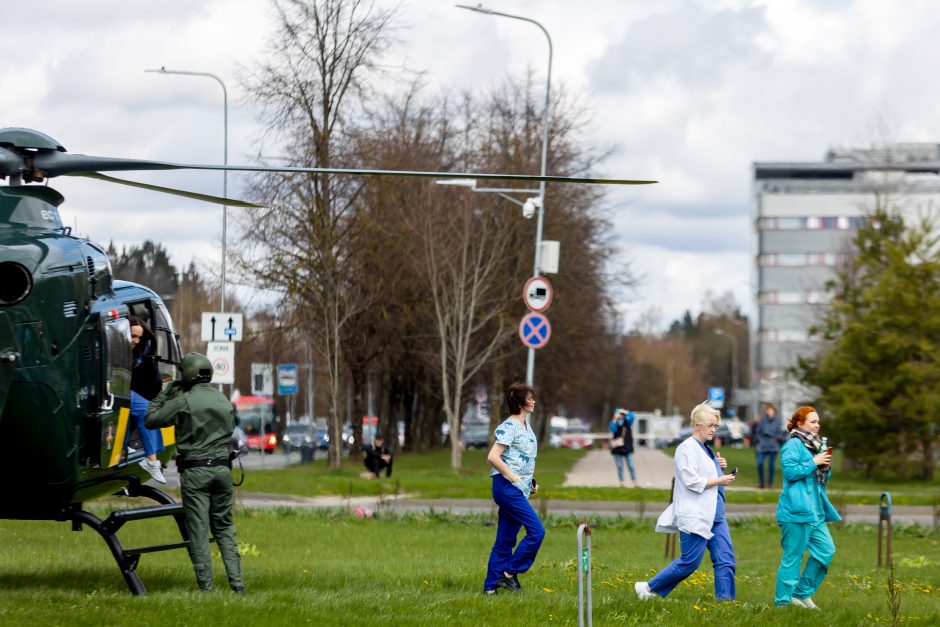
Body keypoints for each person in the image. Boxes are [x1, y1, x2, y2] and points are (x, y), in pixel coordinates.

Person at [145, 352, 245, 594]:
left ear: (187, 374)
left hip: (195, 472)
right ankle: (238, 585)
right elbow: (232, 427)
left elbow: (151, 419)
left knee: (198, 530)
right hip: (223, 470)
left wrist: (167, 391)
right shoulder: (223, 400)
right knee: (224, 527)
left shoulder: (184, 401)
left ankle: (206, 589)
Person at [635, 401, 737, 603]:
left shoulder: (705, 448)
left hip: (716, 514)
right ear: (697, 425)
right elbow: (691, 481)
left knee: (725, 559)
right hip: (695, 515)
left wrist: (717, 465)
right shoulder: (685, 448)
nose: (714, 430)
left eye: (716, 426)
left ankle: (726, 602)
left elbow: (704, 470)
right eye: (711, 425)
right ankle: (647, 587)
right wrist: (720, 479)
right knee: (690, 562)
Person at [774, 406, 839, 610]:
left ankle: (801, 593)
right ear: (799, 424)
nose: (817, 425)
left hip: (815, 512)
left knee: (826, 551)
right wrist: (814, 462)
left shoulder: (815, 446)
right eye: (813, 422)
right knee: (792, 559)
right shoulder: (793, 445)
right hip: (795, 513)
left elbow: (817, 481)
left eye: (818, 422)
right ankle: (783, 602)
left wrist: (824, 469)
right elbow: (791, 473)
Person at [483, 382, 545, 595]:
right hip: (506, 487)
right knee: (537, 531)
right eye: (530, 398)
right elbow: (493, 457)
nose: (533, 401)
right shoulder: (509, 426)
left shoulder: (526, 427)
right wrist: (515, 478)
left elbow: (520, 459)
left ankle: (490, 588)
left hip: (517, 488)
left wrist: (529, 482)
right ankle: (509, 574)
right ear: (520, 402)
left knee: (505, 540)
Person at [128, 316, 166, 484]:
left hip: (128, 390)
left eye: (138, 337)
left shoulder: (140, 353)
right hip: (116, 388)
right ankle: (152, 461)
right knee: (144, 410)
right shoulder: (116, 349)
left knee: (148, 410)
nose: (135, 340)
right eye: (132, 335)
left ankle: (151, 457)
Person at [755, 403, 785, 488]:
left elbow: (780, 433)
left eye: (772, 410)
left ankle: (769, 483)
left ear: (774, 411)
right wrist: (759, 440)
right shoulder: (763, 420)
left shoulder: (778, 421)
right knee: (760, 463)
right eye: (769, 410)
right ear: (767, 411)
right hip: (762, 445)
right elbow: (758, 431)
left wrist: (776, 439)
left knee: (771, 465)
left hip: (773, 446)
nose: (770, 412)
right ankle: (761, 483)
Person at [610, 409, 637, 487]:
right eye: (619, 414)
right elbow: (612, 429)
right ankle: (621, 483)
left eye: (622, 414)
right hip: (617, 447)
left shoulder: (627, 422)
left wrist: (626, 412)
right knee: (619, 466)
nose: (621, 415)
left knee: (631, 465)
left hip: (627, 446)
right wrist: (615, 419)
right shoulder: (614, 422)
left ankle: (635, 483)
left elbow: (632, 417)